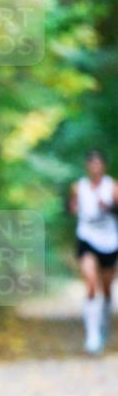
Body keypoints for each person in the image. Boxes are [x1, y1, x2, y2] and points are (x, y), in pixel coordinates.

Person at [69, 150, 118, 353]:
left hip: (109, 241)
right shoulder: (78, 187)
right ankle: (92, 336)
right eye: (92, 163)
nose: (95, 167)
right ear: (87, 166)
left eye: (99, 163)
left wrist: (108, 207)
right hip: (86, 238)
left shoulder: (113, 186)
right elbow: (71, 208)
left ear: (104, 166)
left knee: (106, 289)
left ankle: (103, 325)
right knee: (90, 284)